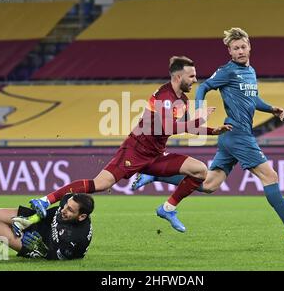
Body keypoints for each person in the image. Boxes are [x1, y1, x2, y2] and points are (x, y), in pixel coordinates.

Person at [132, 28, 284, 240]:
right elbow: (204, 87)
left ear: (249, 47)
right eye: (235, 48)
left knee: (209, 184)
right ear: (230, 52)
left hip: (232, 135)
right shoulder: (227, 71)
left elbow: (253, 98)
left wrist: (271, 109)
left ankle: (156, 174)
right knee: (270, 176)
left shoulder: (251, 71)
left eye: (243, 47)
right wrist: (200, 110)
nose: (240, 51)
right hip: (238, 134)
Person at [29, 56, 232, 232]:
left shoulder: (183, 100)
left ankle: (168, 209)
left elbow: (187, 128)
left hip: (155, 156)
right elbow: (167, 127)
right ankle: (45, 200)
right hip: (134, 152)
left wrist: (213, 130)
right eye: (192, 76)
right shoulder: (163, 96)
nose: (195, 80)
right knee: (99, 184)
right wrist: (200, 119)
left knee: (199, 170)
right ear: (179, 77)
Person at [0, 193, 94, 260]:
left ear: (82, 217)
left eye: (70, 210)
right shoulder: (69, 201)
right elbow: (54, 209)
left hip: (37, 244)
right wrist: (30, 219)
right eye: (66, 205)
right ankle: (15, 227)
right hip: (39, 223)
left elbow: (59, 258)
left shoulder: (74, 237)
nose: (63, 210)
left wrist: (40, 249)